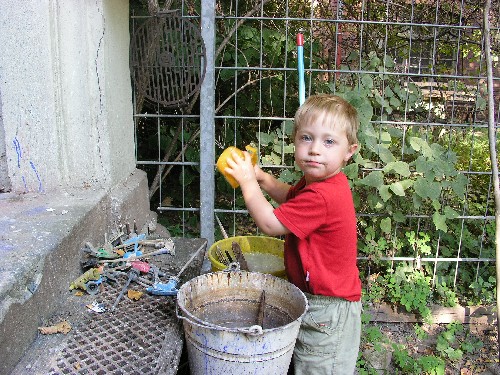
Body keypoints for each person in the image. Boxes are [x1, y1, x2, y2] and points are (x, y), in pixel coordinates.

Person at [224, 94, 362, 374]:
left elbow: (271, 224)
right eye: (307, 138)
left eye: (329, 142)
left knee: (319, 366)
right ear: (295, 140)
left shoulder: (324, 195)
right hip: (318, 300)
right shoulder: (321, 182)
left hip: (329, 309)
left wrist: (248, 183)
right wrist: (263, 178)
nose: (315, 150)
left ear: (350, 150)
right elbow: (291, 198)